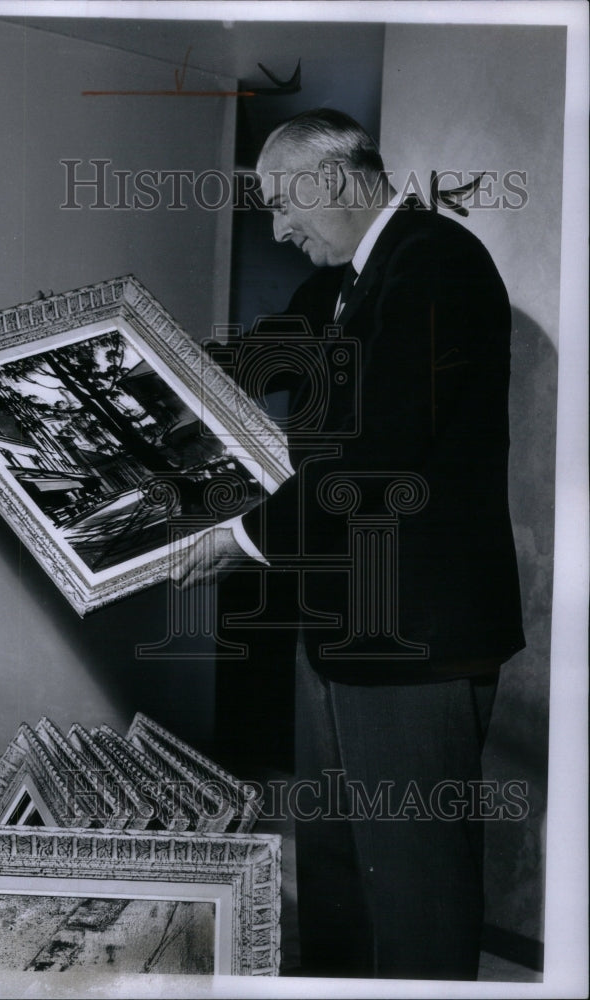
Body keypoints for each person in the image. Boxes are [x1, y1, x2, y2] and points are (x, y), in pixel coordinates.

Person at [173, 108, 525, 980]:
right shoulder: (337, 287)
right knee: (332, 868)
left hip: (417, 636)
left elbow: (375, 455)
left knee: (413, 885)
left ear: (333, 180)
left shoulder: (437, 263)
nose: (279, 226)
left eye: (282, 203)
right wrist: (107, 357)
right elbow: (248, 367)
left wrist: (245, 539)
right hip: (339, 624)